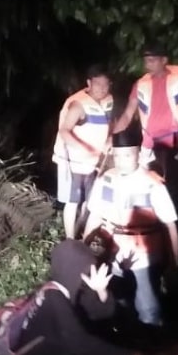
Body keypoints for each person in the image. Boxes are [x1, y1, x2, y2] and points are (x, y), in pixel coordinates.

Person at [0, 239, 142, 355]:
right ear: (72, 269)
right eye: (84, 270)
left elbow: (99, 315)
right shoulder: (55, 298)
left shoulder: (59, 287)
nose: (88, 275)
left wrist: (101, 290)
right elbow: (80, 343)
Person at [83, 140, 178, 329]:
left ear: (138, 154)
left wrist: (175, 263)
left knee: (147, 305)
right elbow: (95, 216)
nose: (121, 161)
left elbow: (170, 223)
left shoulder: (152, 183)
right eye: (117, 155)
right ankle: (124, 337)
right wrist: (84, 249)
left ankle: (153, 343)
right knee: (117, 298)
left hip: (143, 253)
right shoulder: (106, 179)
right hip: (112, 250)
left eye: (127, 155)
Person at [113, 40, 178, 212]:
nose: (148, 64)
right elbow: (127, 114)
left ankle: (176, 225)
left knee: (174, 186)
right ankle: (153, 223)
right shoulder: (140, 84)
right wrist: (113, 141)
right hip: (150, 142)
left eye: (153, 60)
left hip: (176, 139)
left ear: (164, 60)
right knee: (150, 183)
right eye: (146, 60)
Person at [52, 65, 114, 239]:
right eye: (98, 84)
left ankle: (83, 232)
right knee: (73, 200)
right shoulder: (78, 104)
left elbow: (111, 124)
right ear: (89, 83)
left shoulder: (108, 100)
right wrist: (82, 148)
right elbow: (65, 131)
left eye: (106, 84)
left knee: (91, 198)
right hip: (73, 160)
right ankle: (70, 239)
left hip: (95, 160)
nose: (102, 88)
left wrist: (110, 139)